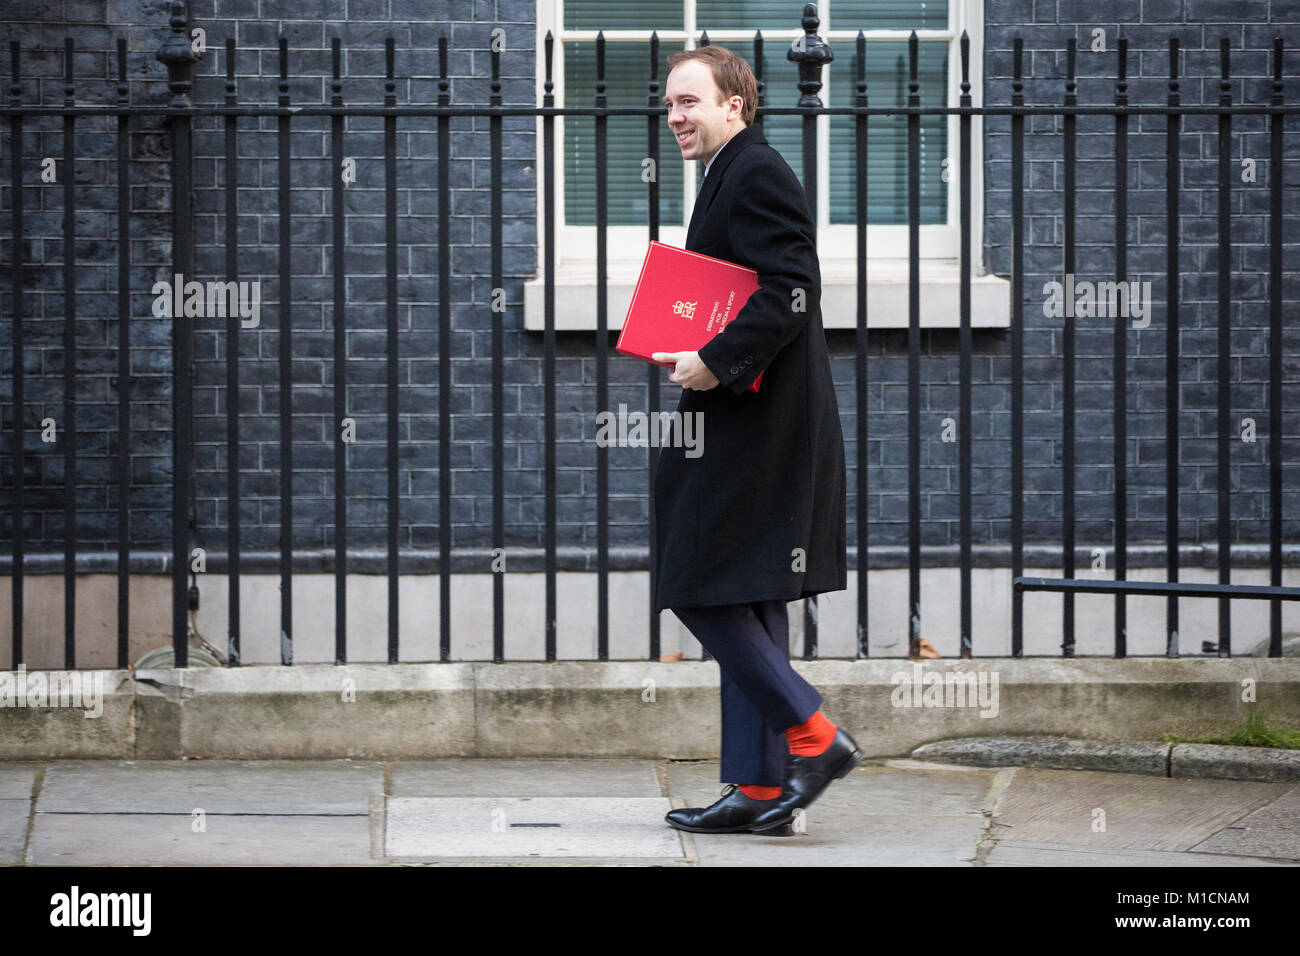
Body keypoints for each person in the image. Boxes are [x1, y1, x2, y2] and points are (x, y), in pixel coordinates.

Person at [651, 45, 861, 836]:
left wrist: (714, 360)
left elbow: (792, 289)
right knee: (746, 591)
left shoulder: (757, 171)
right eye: (670, 104)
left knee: (696, 578)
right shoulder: (727, 173)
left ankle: (816, 737)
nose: (675, 116)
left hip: (759, 420)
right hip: (744, 414)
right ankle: (761, 786)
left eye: (689, 101)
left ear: (735, 103)